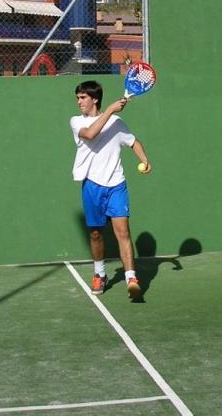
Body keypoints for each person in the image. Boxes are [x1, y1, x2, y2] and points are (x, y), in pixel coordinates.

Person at [70, 80, 151, 300]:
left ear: (94, 99)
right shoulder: (77, 121)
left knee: (123, 232)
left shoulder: (117, 122)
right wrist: (110, 111)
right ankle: (100, 273)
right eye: (77, 98)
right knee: (96, 233)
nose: (79, 102)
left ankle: (131, 278)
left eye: (83, 98)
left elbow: (133, 142)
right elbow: (90, 134)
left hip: (116, 185)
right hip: (92, 185)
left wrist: (144, 159)